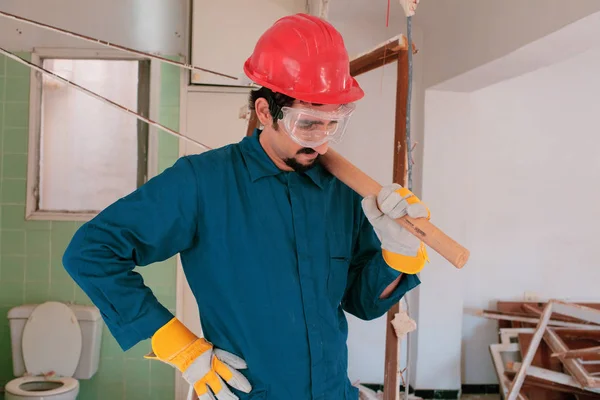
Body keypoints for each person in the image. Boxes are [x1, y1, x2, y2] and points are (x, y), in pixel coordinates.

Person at [62, 13, 430, 400]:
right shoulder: (202, 182)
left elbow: (363, 302)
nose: (321, 142)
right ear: (265, 111)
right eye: (307, 123)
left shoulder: (340, 191)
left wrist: (397, 256)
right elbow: (91, 252)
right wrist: (178, 345)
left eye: (332, 123)